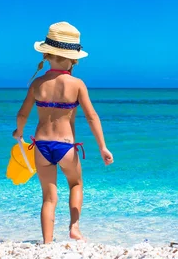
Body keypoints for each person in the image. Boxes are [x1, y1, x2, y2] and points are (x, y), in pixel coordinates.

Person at [12, 21, 114, 244]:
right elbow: (91, 117)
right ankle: (74, 229)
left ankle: (47, 243)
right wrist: (103, 147)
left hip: (42, 147)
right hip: (66, 146)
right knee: (76, 184)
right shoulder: (77, 84)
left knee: (48, 198)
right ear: (74, 59)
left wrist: (18, 133)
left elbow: (22, 115)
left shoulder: (37, 84)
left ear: (46, 55)